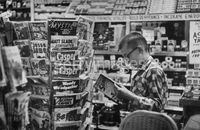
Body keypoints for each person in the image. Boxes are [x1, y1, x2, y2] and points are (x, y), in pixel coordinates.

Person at [115, 32, 168, 112]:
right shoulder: (143, 69)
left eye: (127, 55)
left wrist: (130, 96)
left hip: (149, 123)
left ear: (139, 50)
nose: (127, 60)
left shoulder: (153, 70)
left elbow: (157, 106)